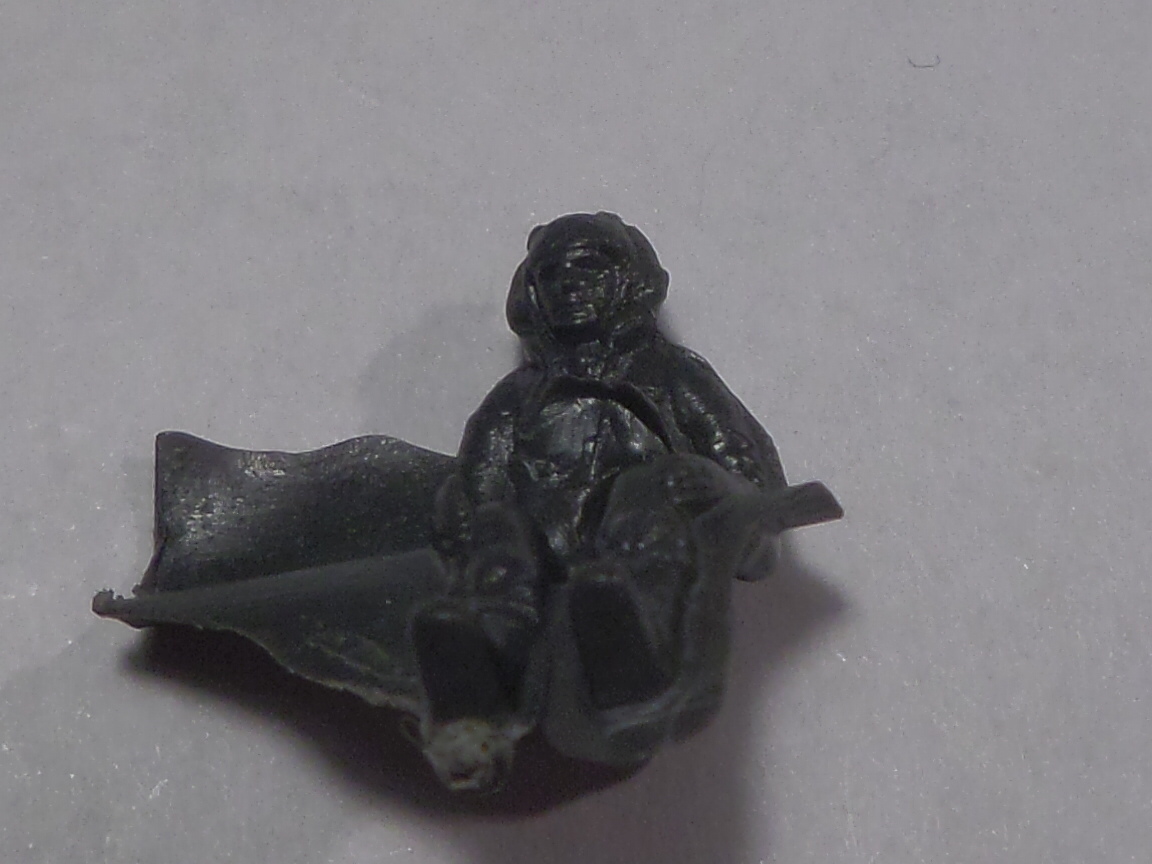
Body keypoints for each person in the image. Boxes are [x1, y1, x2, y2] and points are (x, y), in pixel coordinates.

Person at [411, 213, 792, 790]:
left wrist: (725, 495)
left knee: (653, 494)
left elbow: (745, 466)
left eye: (590, 266)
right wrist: (473, 531)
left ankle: (631, 642)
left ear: (629, 280)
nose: (570, 284)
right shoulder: (517, 398)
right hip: (540, 559)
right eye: (551, 273)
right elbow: (476, 483)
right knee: (499, 531)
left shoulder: (672, 376)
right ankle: (490, 649)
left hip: (640, 553)